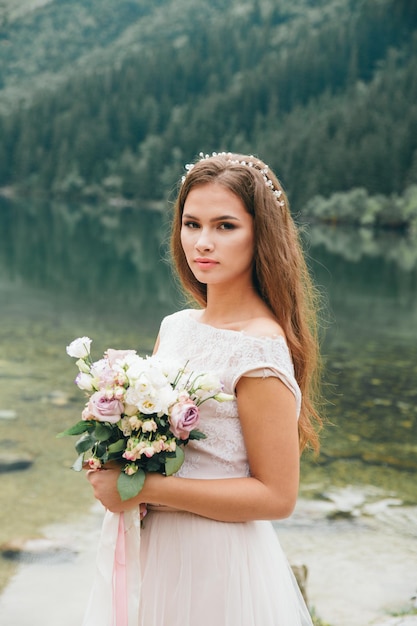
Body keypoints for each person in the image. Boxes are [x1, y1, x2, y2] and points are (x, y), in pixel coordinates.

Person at [86, 151, 322, 625]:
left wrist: (142, 488)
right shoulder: (175, 327)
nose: (203, 243)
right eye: (191, 224)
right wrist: (113, 453)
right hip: (157, 550)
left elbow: (277, 496)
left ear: (262, 236)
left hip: (216, 563)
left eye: (225, 226)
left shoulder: (258, 350)